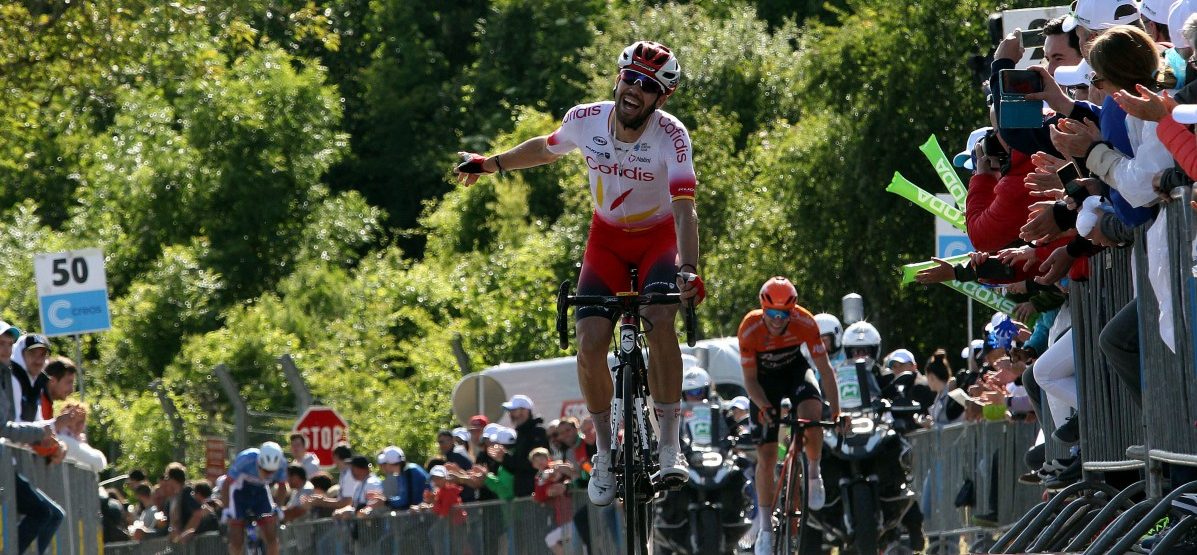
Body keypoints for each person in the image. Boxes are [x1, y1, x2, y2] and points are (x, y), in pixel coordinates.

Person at [453, 40, 706, 506]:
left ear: (660, 98)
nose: (635, 89)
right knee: (590, 342)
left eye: (648, 86)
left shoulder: (672, 136)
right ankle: (606, 457)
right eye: (630, 78)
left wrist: (688, 270)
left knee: (661, 319)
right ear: (619, 77)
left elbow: (685, 209)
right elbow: (546, 149)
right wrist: (490, 165)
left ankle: (670, 446)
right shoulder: (586, 120)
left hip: (657, 241)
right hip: (606, 241)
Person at [738, 276, 840, 554]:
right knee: (767, 456)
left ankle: (814, 473)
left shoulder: (805, 322)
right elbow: (749, 380)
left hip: (795, 371)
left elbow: (826, 369)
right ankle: (766, 530)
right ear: (763, 309)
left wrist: (838, 412)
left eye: (784, 314)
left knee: (813, 415)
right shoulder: (749, 328)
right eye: (771, 313)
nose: (777, 319)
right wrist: (764, 406)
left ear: (792, 311)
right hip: (763, 384)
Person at [0, 321, 65, 555]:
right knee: (45, 512)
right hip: (6, 459)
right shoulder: (11, 376)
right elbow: (6, 428)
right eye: (1, 344)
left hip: (9, 460)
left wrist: (47, 435)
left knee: (50, 513)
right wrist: (49, 429)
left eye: (9, 344)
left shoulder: (8, 374)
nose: (6, 349)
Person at [221, 441, 287, 555]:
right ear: (258, 462)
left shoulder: (282, 464)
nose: (268, 474)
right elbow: (227, 484)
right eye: (265, 470)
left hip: (261, 493)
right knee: (237, 539)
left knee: (271, 535)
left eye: (271, 472)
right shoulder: (246, 458)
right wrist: (226, 508)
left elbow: (282, 487)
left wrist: (278, 507)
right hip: (239, 493)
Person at [498, 394, 550, 497]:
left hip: (536, 493)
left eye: (513, 410)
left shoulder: (537, 432)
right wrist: (503, 459)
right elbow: (518, 468)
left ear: (525, 411)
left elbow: (533, 464)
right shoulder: (521, 434)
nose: (510, 414)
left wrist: (506, 458)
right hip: (524, 494)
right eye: (510, 411)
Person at [378, 446, 430, 511]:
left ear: (390, 463)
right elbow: (402, 498)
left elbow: (406, 501)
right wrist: (386, 500)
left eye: (385, 463)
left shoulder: (411, 471)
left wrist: (386, 501)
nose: (384, 467)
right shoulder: (402, 474)